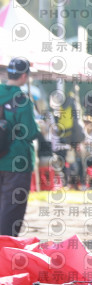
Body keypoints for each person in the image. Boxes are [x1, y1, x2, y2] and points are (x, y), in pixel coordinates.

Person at [0, 58, 40, 236]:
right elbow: (30, 132)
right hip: (17, 160)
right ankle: (5, 247)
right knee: (11, 210)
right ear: (24, 76)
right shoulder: (22, 100)